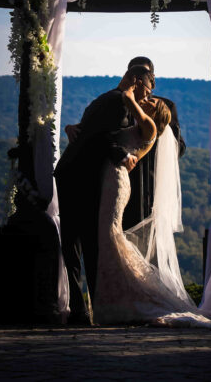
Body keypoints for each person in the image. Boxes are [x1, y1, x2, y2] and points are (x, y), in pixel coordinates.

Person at [89, 68, 211, 327]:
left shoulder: (148, 126)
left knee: (110, 234)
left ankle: (130, 294)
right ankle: (115, 299)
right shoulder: (138, 124)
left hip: (117, 181)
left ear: (156, 113)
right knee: (109, 236)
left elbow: (128, 100)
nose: (147, 100)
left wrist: (129, 88)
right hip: (110, 180)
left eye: (152, 101)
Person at [55, 68, 138, 322]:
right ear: (136, 80)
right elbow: (102, 137)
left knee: (75, 242)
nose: (149, 91)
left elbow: (88, 131)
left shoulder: (104, 99)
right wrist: (122, 155)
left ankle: (82, 308)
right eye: (148, 84)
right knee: (87, 241)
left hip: (72, 173)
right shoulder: (118, 102)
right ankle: (89, 307)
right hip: (82, 177)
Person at [122, 57, 186, 230]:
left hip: (151, 179)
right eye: (135, 74)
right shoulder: (122, 101)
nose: (140, 79)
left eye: (144, 74)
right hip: (124, 175)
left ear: (152, 77)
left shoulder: (164, 105)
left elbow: (179, 145)